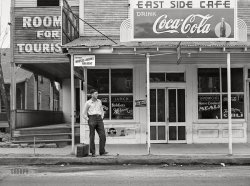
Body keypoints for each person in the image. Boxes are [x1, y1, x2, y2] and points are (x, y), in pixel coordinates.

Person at [83, 89, 108, 157]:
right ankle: (93, 152)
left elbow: (102, 110)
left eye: (97, 93)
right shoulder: (88, 102)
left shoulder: (99, 101)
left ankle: (102, 151)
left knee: (103, 135)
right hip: (92, 118)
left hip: (99, 118)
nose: (97, 95)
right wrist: (88, 119)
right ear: (92, 95)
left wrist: (102, 117)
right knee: (92, 136)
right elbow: (84, 113)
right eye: (96, 94)